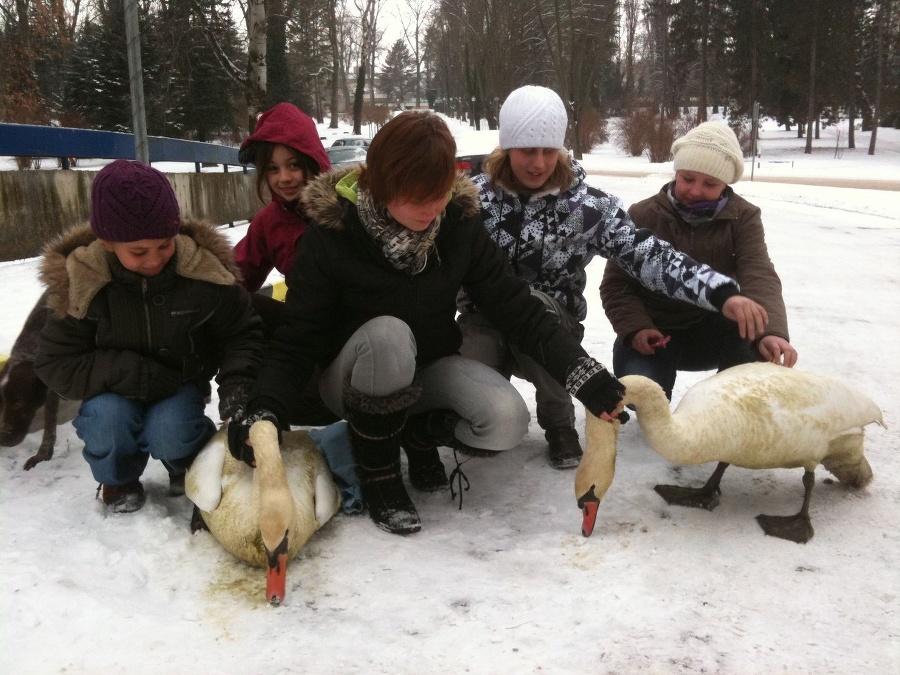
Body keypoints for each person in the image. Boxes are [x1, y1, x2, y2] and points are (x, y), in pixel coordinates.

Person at [229, 111, 634, 537]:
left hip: (427, 368)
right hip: (350, 380)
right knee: (388, 333)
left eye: (438, 194)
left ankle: (416, 435)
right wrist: (265, 408)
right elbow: (296, 339)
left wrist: (585, 376)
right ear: (382, 186)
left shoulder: (457, 223)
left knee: (504, 419)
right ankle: (380, 472)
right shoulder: (331, 236)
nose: (431, 209)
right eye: (416, 198)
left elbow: (516, 306)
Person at [458, 85, 769, 471]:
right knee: (476, 388)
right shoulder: (472, 202)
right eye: (527, 151)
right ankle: (479, 412)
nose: (539, 163)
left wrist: (719, 292)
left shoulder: (586, 208)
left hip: (554, 329)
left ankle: (558, 423)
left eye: (549, 150)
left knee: (539, 309)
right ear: (506, 148)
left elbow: (647, 253)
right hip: (484, 319)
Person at [34, 160, 263, 514]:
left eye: (164, 245)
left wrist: (237, 391)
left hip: (178, 385)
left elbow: (241, 334)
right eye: (138, 252)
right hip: (110, 393)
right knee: (107, 420)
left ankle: (187, 466)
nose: (154, 260)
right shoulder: (82, 283)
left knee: (171, 427)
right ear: (108, 243)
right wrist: (132, 373)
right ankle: (118, 479)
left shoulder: (203, 273)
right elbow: (55, 361)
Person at [600, 121, 798, 399]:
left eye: (710, 183)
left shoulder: (744, 217)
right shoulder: (642, 213)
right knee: (641, 396)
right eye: (688, 178)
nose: (694, 191)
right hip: (656, 329)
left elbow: (759, 272)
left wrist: (771, 332)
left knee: (749, 350)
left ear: (726, 184)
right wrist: (636, 328)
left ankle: (725, 405)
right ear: (676, 173)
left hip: (714, 329)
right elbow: (615, 285)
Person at [233, 102, 331, 334]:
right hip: (302, 327)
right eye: (273, 169)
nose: (284, 178)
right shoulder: (269, 222)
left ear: (313, 161)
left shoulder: (343, 209)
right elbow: (237, 274)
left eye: (294, 165)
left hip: (354, 325)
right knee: (232, 303)